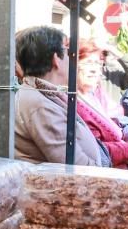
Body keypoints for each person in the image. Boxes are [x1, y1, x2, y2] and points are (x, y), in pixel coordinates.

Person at [14, 26, 108, 165]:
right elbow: (77, 167)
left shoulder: (40, 95)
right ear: (56, 58)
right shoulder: (39, 106)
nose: (72, 59)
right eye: (68, 52)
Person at [76, 40, 128, 169]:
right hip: (100, 176)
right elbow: (92, 151)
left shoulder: (96, 92)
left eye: (97, 63)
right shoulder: (70, 100)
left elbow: (117, 120)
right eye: (87, 63)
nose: (94, 69)